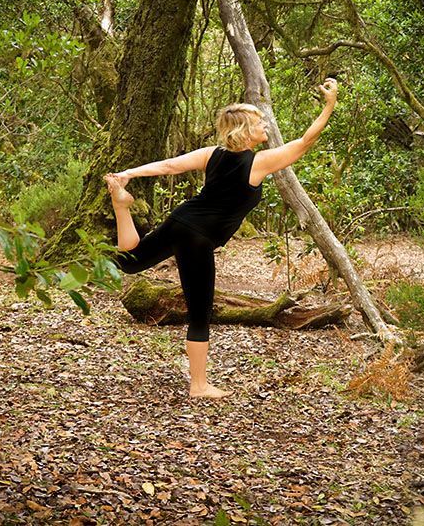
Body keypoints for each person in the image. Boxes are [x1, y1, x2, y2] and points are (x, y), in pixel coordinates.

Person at [105, 78, 338, 399]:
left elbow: (171, 166)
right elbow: (305, 142)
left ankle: (122, 208)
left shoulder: (211, 154)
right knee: (200, 312)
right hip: (197, 239)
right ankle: (199, 385)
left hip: (181, 220)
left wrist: (130, 174)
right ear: (244, 130)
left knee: (130, 263)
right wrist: (329, 105)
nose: (266, 127)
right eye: (259, 123)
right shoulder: (258, 162)